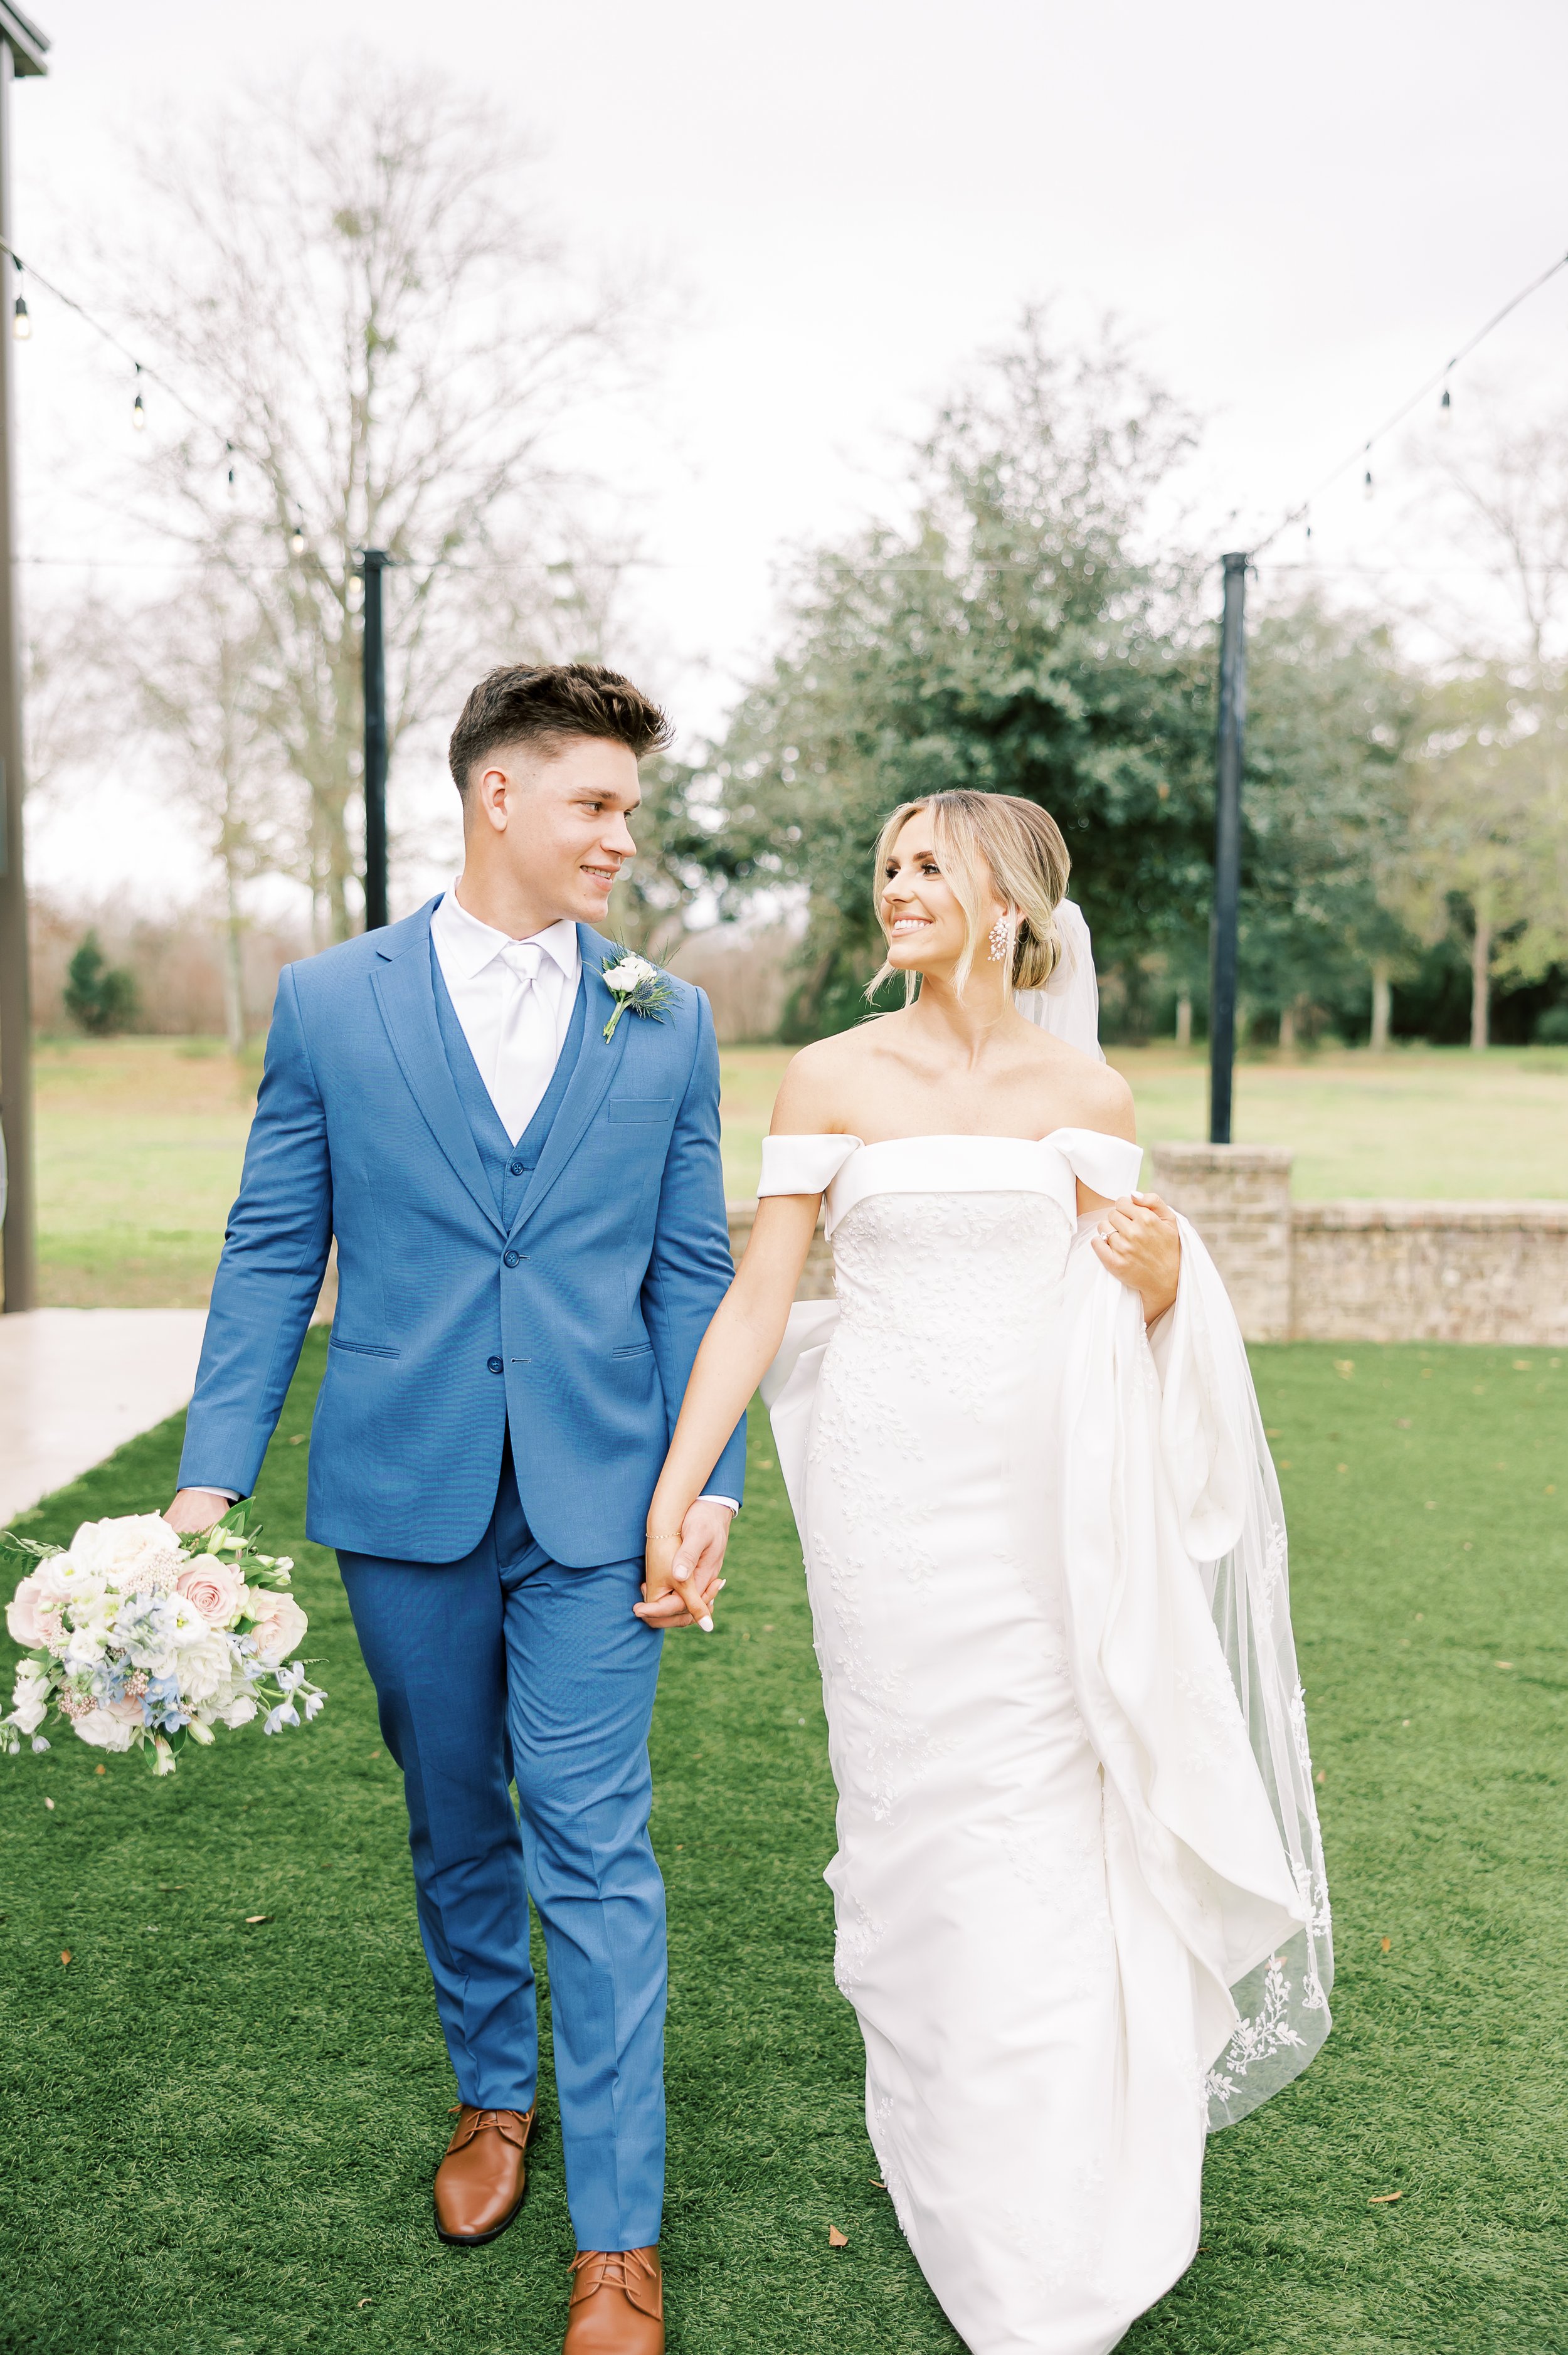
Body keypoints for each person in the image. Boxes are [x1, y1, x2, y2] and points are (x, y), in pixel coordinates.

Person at [646, 790, 1333, 2355]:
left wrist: (1169, 1295)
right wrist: (683, 1487)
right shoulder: (828, 1074)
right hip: (886, 1501)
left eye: (925, 866)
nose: (893, 889)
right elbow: (761, 1299)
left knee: (1042, 1805)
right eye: (884, 867)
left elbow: (1125, 1294)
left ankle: (1058, 2182)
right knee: (916, 1814)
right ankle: (947, 2129)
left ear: (1011, 897)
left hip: (1044, 1506)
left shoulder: (1081, 1082)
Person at [166, 663, 744, 2355]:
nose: (622, 837)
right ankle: (498, 2091)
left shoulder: (668, 1015)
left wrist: (697, 1485)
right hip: (401, 1494)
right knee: (452, 1814)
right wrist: (212, 1476)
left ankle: (616, 2240)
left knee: (595, 1834)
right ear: (499, 796)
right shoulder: (331, 1002)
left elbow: (695, 1269)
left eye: (629, 808)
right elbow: (275, 1244)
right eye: (596, 803)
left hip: (598, 1504)